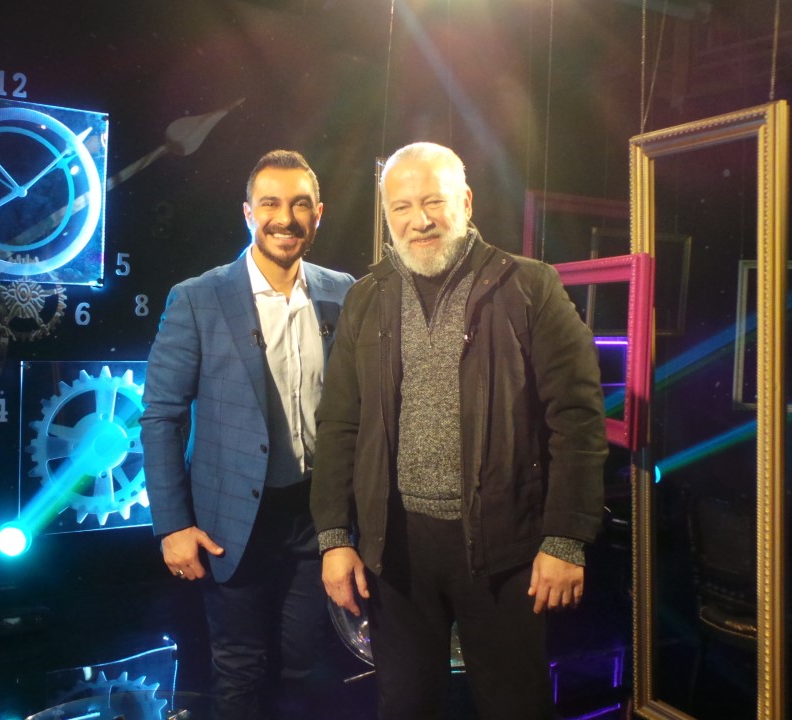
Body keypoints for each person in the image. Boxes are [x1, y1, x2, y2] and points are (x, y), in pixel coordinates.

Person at [310, 141, 606, 719]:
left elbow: (577, 417)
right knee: (405, 707)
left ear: (465, 202)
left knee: (515, 708)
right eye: (401, 207)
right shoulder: (365, 298)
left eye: (433, 202)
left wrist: (566, 537)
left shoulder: (530, 286)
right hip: (394, 549)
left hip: (507, 549)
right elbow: (339, 423)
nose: (418, 220)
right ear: (386, 215)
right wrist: (335, 538)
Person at [140, 149, 355, 719]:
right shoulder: (197, 297)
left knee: (306, 667)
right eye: (270, 204)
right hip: (231, 520)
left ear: (318, 214)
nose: (285, 218)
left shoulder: (345, 292)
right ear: (247, 212)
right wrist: (172, 525)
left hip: (316, 516)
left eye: (300, 205)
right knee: (239, 670)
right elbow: (161, 415)